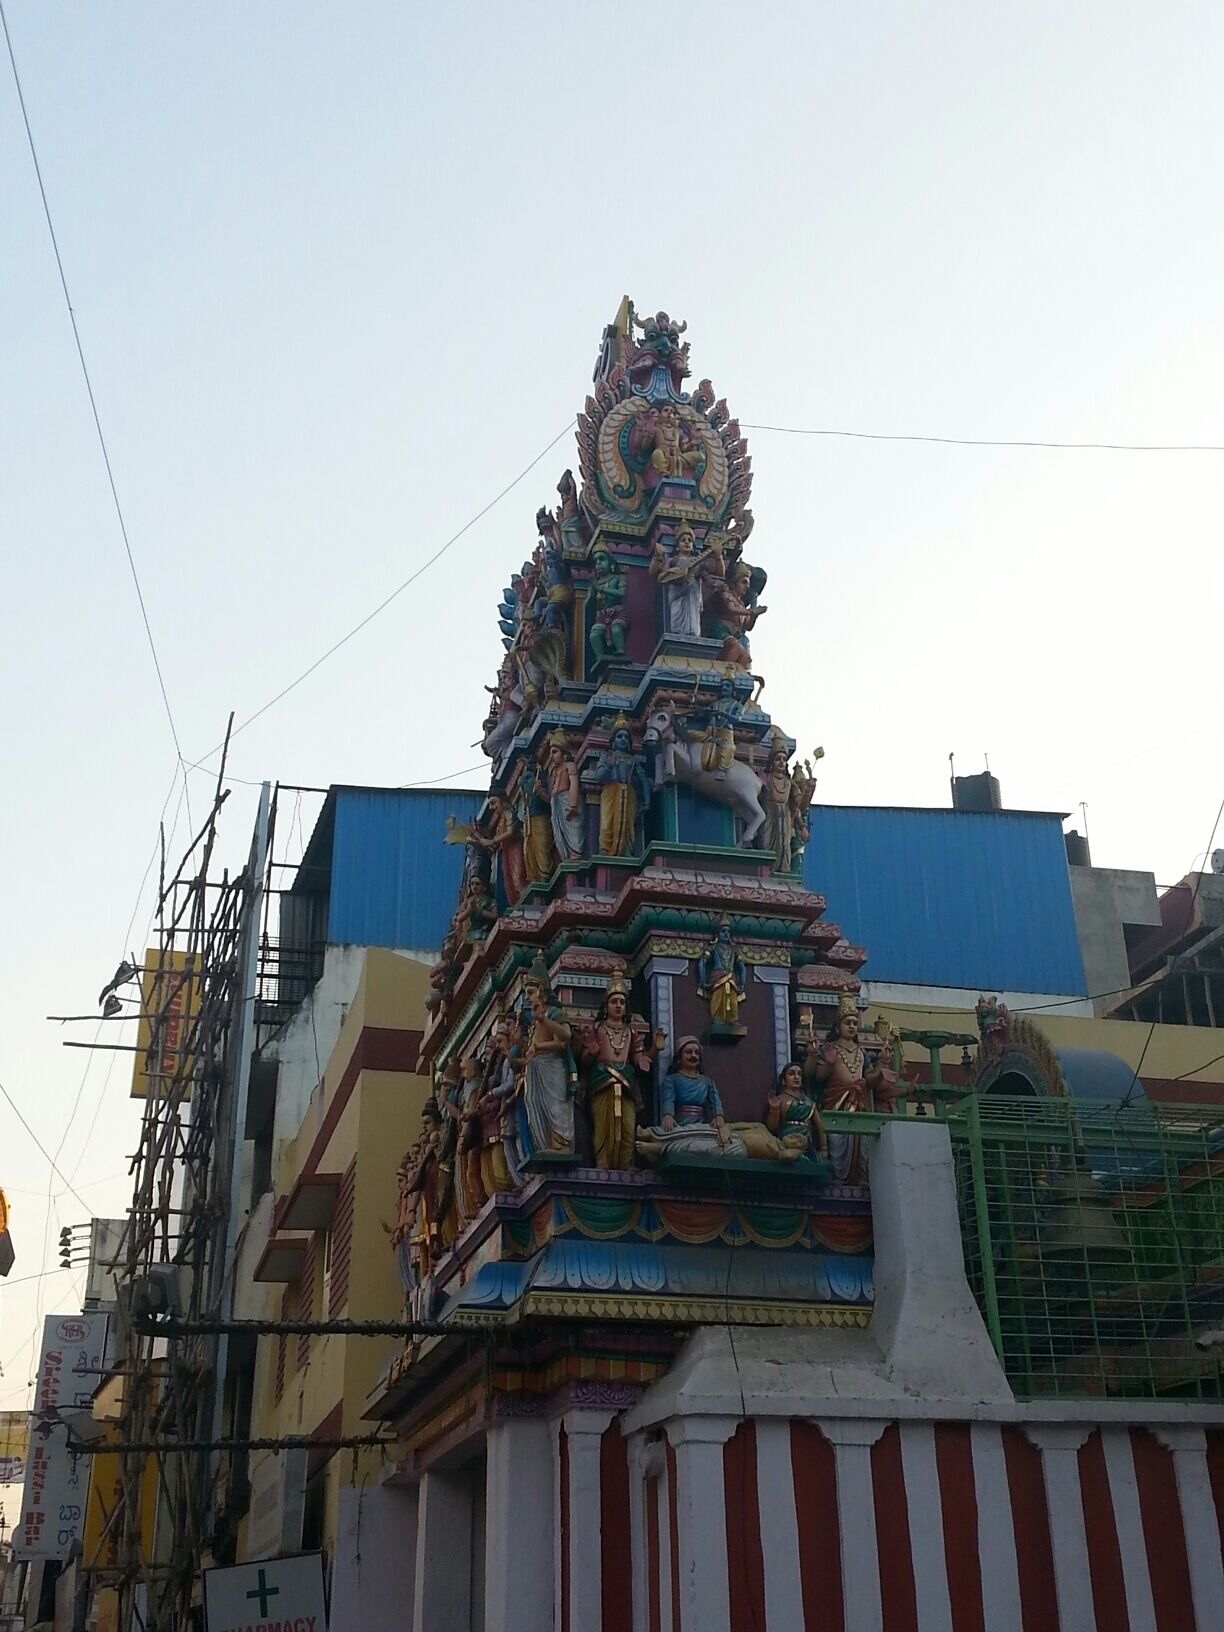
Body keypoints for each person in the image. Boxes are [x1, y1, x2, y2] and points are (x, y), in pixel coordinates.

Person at [803, 998, 898, 1182]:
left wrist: (883, 1066)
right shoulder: (830, 1049)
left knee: (861, 1145)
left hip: (860, 1106)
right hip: (835, 1105)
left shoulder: (861, 1052)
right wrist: (823, 1060)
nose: (852, 1026)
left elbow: (869, 1080)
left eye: (855, 1023)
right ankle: (838, 1181)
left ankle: (858, 1179)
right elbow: (817, 1077)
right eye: (848, 1023)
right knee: (837, 1145)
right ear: (838, 1027)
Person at [580, 976, 663, 1169]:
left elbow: (640, 1060)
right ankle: (602, 1164)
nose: (618, 1006)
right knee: (603, 1126)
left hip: (626, 1082)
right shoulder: (597, 1029)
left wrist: (656, 1049)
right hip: (602, 1081)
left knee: (627, 1124)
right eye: (614, 1001)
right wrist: (591, 1052)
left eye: (622, 1002)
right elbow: (584, 1060)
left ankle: (626, 1165)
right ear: (606, 1005)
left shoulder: (631, 1032)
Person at [522, 963, 578, 1156]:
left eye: (530, 992)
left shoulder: (553, 1013)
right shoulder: (534, 1020)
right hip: (537, 1069)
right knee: (534, 1103)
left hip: (553, 1068)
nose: (527, 998)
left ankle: (561, 1145)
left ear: (542, 991)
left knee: (556, 1106)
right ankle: (545, 1143)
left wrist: (543, 1021)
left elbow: (565, 1038)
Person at [591, 718, 651, 856]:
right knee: (607, 821)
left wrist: (647, 802)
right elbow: (599, 777)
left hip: (629, 792)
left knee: (628, 822)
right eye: (619, 737)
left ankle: (626, 849)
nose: (623, 739)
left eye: (626, 737)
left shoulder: (633, 760)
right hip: (610, 792)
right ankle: (605, 849)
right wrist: (608, 766)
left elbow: (643, 781)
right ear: (613, 741)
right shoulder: (606, 756)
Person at [697, 917, 747, 1033]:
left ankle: (732, 1019)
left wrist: (742, 982)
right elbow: (702, 963)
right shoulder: (713, 948)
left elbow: (741, 967)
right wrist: (703, 980)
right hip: (717, 977)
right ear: (717, 934)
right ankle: (717, 1018)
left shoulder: (734, 950)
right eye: (723, 931)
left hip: (732, 977)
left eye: (728, 932)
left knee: (732, 998)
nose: (726, 934)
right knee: (718, 997)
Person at [544, 732, 585, 860]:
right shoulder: (553, 772)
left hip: (567, 801)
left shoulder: (570, 766)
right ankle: (565, 857)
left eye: (555, 752)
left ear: (563, 752)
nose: (551, 756)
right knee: (558, 833)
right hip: (557, 804)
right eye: (551, 753)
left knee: (573, 832)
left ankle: (575, 856)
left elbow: (574, 784)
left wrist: (572, 804)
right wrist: (540, 791)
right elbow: (551, 797)